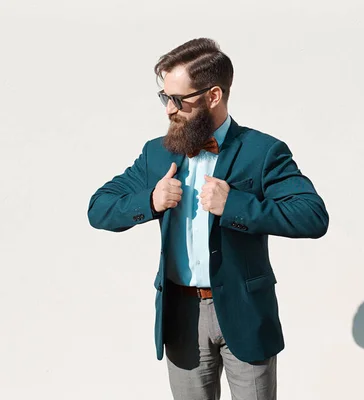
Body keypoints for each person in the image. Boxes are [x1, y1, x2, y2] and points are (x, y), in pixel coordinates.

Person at [87, 38, 329, 400]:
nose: (169, 109)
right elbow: (99, 208)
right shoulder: (157, 153)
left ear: (213, 96)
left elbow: (312, 216)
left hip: (245, 314)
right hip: (181, 315)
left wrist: (235, 205)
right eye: (164, 97)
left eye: (179, 100)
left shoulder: (262, 151)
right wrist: (150, 201)